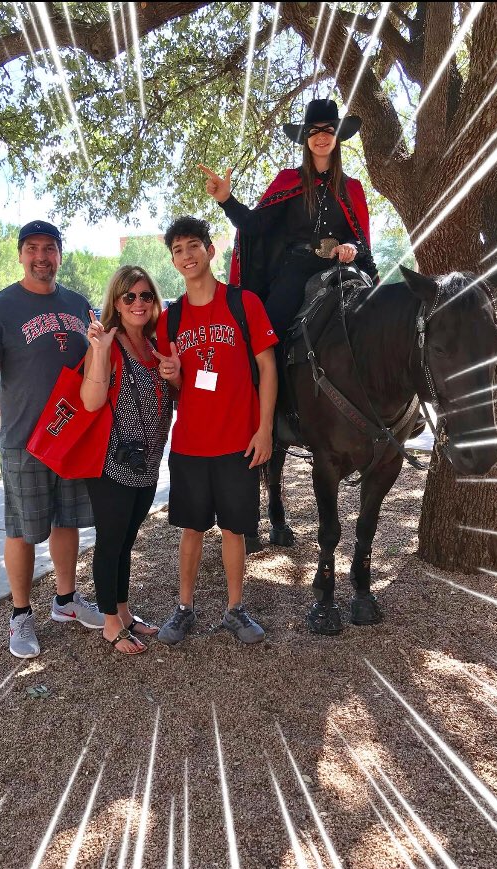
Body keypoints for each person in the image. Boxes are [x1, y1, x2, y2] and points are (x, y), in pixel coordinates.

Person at [0, 220, 104, 659]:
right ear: (19, 255)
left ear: (58, 254)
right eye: (32, 248)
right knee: (22, 530)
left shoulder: (77, 303)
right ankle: (20, 614)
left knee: (67, 521)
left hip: (70, 435)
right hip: (23, 440)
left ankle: (66, 603)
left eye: (49, 248)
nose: (41, 257)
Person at [154, 216, 278, 645]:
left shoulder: (243, 303)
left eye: (193, 246)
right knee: (191, 528)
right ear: (172, 260)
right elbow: (175, 380)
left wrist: (264, 430)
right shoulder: (170, 318)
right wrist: (171, 373)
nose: (186, 256)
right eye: (177, 250)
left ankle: (235, 609)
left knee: (233, 529)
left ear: (210, 250)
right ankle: (184, 608)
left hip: (237, 441)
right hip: (190, 443)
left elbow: (268, 366)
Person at [199, 98, 378, 340]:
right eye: (314, 131)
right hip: (297, 269)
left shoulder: (352, 188)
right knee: (267, 333)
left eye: (328, 130)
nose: (321, 136)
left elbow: (360, 240)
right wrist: (226, 199)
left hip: (341, 266)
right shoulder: (288, 180)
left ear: (337, 136)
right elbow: (254, 224)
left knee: (376, 325)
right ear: (306, 138)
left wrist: (351, 247)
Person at [80, 266, 173, 656]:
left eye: (145, 295)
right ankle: (110, 623)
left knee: (126, 540)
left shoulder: (155, 345)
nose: (138, 303)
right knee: (111, 541)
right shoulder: (107, 342)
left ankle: (123, 610)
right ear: (116, 303)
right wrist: (100, 354)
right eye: (129, 296)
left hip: (147, 463)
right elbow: (91, 402)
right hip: (112, 463)